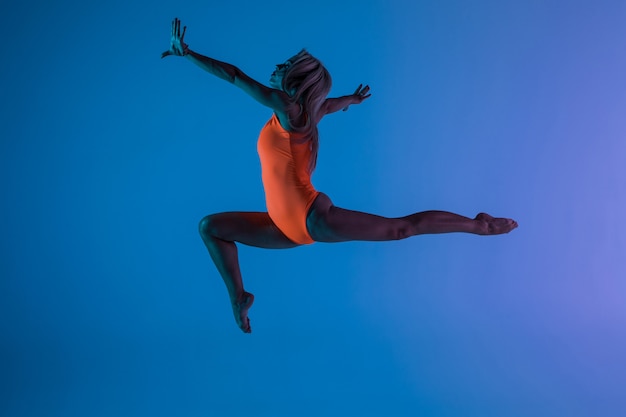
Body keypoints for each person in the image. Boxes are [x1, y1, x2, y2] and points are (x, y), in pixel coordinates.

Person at [162, 18, 518, 333]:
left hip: (310, 217)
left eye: (285, 65)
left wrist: (188, 54)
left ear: (295, 80)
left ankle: (478, 225)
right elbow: (329, 106)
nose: (276, 66)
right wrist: (352, 100)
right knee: (211, 227)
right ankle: (238, 299)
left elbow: (236, 76)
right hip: (282, 228)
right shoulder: (304, 114)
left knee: (400, 229)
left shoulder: (288, 108)